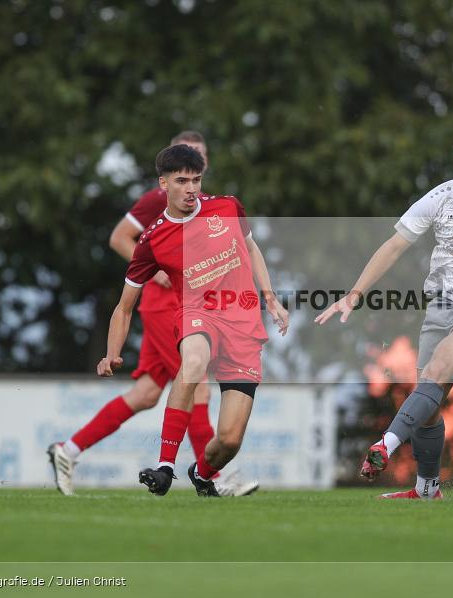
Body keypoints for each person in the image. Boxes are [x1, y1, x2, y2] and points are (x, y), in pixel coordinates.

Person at [315, 126, 453, 500]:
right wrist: (355, 294)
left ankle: (384, 445)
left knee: (435, 374)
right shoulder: (439, 199)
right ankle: (426, 489)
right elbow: (394, 246)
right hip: (440, 311)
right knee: (428, 404)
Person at [47, 131, 258, 497]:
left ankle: (69, 449)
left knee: (146, 393)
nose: (196, 166)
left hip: (191, 307)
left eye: (201, 161)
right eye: (189, 160)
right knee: (197, 380)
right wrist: (158, 273)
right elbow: (119, 238)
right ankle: (215, 478)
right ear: (166, 175)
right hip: (167, 307)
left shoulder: (207, 206)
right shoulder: (156, 202)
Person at [97, 143, 289, 497]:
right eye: (182, 181)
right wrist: (111, 353)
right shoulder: (153, 239)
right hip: (197, 314)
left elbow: (251, 249)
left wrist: (271, 299)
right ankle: (166, 466)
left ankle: (202, 472)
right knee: (194, 362)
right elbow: (124, 306)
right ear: (163, 184)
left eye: (196, 180)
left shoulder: (228, 207)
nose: (191, 189)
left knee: (229, 440)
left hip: (243, 324)